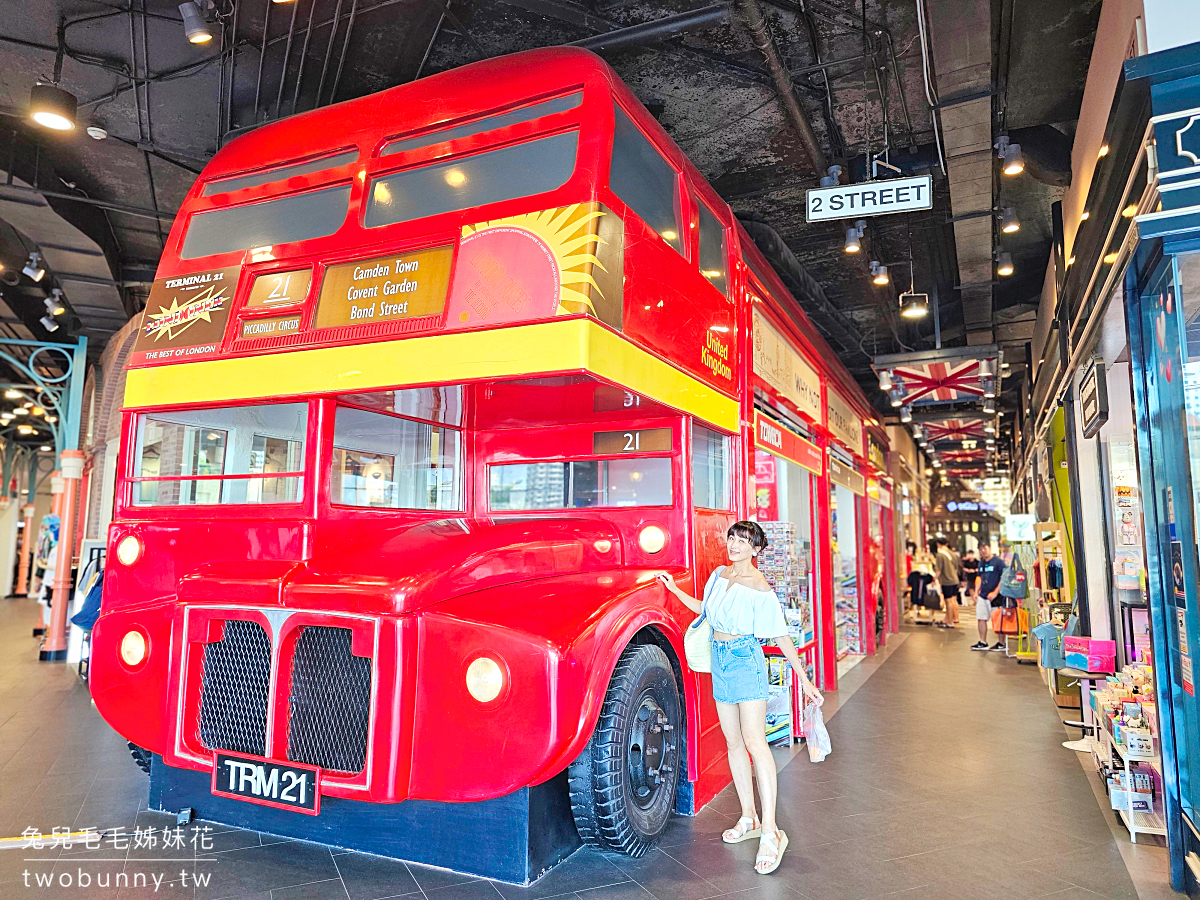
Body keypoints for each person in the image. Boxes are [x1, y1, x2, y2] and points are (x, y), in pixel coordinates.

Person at [657, 521, 823, 876]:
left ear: (756, 549)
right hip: (719, 659)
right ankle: (748, 816)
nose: (734, 545)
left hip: (745, 659)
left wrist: (805, 679)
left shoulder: (759, 587)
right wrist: (674, 591)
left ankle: (770, 831)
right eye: (732, 538)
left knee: (754, 741)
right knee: (733, 742)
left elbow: (780, 635)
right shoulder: (719, 574)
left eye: (743, 541)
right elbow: (705, 609)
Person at [971, 542, 1006, 651]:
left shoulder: (998, 562)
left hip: (997, 596)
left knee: (998, 619)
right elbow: (979, 578)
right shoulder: (981, 563)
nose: (983, 551)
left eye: (984, 548)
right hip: (983, 595)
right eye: (980, 549)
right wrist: (976, 592)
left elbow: (1004, 577)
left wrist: (996, 592)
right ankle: (983, 641)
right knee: (981, 618)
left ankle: (1001, 643)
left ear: (989, 548)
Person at [934, 537, 961, 628]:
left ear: (938, 544)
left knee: (948, 601)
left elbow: (938, 570)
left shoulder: (940, 555)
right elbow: (956, 568)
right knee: (953, 599)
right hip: (954, 579)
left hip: (947, 580)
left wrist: (934, 579)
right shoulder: (952, 554)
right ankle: (954, 618)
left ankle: (949, 622)